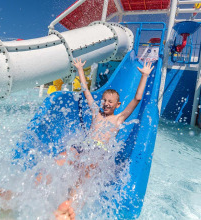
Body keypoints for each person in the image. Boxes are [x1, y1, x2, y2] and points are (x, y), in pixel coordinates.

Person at [54, 58, 154, 220]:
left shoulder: (119, 119)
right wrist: (80, 68)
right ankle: (40, 184)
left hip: (100, 151)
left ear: (117, 105)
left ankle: (70, 207)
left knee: (87, 171)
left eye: (110, 102)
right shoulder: (96, 113)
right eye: (104, 100)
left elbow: (137, 99)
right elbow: (86, 90)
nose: (106, 104)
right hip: (84, 146)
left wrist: (144, 76)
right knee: (62, 157)